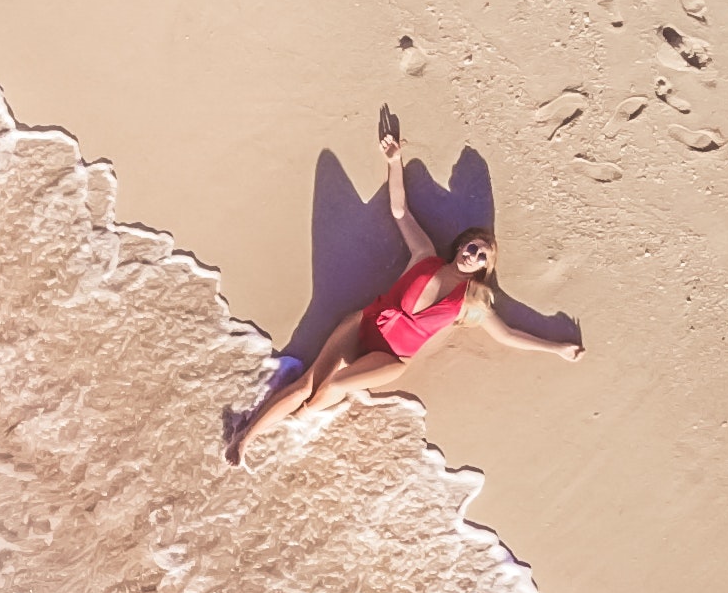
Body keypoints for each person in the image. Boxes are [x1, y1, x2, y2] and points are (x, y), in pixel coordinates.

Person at [225, 122, 582, 464]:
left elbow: (508, 335)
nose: (473, 254)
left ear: (483, 268)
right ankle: (247, 438)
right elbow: (400, 211)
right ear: (461, 247)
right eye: (472, 247)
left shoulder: (471, 300)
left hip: (391, 356)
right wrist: (394, 162)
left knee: (332, 386)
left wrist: (557, 348)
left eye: (481, 255)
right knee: (307, 385)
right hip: (363, 323)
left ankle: (293, 421)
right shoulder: (425, 255)